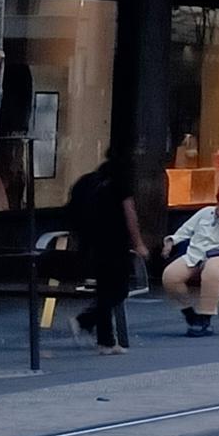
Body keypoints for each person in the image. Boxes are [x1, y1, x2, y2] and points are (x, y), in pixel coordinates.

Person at [68, 147, 149, 355]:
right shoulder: (120, 182)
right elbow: (130, 214)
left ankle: (105, 341)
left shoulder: (90, 180)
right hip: (115, 242)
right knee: (118, 290)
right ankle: (86, 320)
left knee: (104, 289)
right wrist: (138, 243)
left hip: (92, 242)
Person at [162, 182, 219, 335]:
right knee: (170, 275)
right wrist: (171, 242)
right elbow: (186, 230)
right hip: (197, 256)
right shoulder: (205, 212)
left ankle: (206, 317)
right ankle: (190, 314)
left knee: (212, 269)